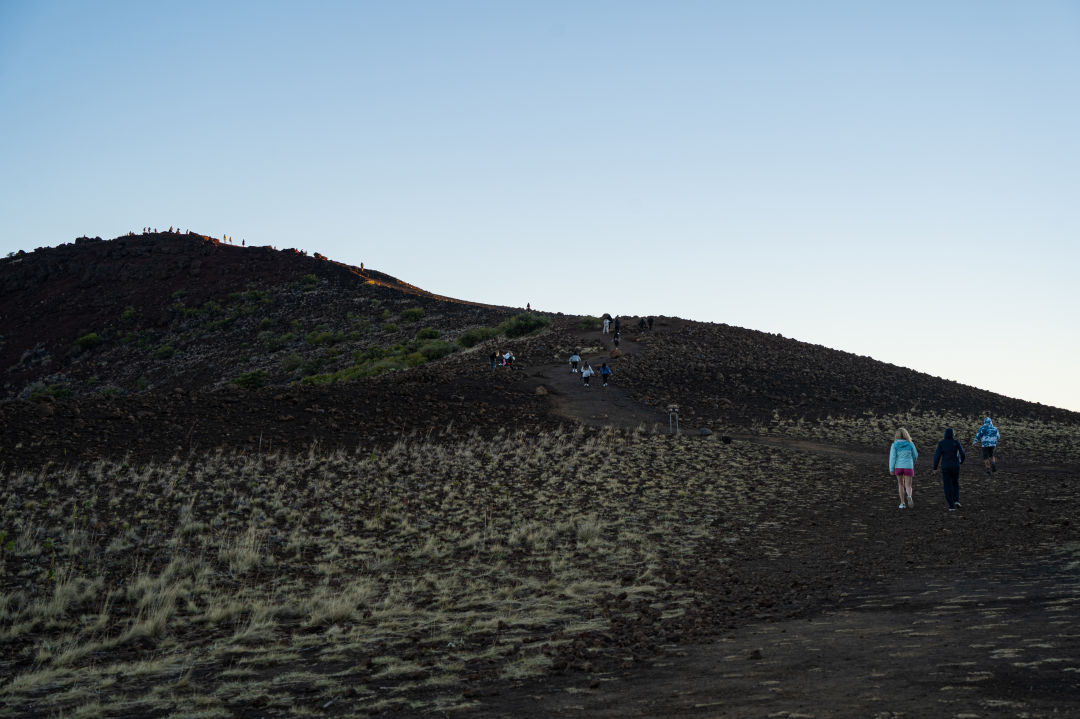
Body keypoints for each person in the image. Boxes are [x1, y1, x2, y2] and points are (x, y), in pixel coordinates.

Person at [932, 427, 966, 511]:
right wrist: (961, 461)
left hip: (945, 467)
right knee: (955, 483)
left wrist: (935, 468)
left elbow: (937, 456)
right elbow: (963, 453)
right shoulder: (956, 442)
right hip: (955, 466)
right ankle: (957, 500)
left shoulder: (941, 443)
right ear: (952, 434)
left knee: (947, 486)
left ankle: (951, 506)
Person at [889, 428, 918, 509]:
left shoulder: (894, 445)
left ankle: (902, 503)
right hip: (908, 466)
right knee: (908, 485)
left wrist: (891, 469)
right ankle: (909, 496)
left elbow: (892, 458)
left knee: (900, 484)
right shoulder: (910, 444)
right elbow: (915, 455)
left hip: (898, 466)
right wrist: (912, 462)